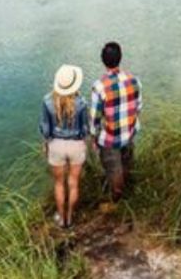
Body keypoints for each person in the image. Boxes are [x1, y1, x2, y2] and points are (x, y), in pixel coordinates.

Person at [90, 42, 142, 204]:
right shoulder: (134, 81)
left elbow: (95, 118)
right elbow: (138, 106)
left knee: (114, 171)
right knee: (126, 165)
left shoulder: (99, 87)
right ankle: (128, 193)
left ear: (103, 61)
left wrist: (93, 138)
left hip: (110, 139)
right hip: (130, 132)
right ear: (120, 58)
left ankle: (117, 202)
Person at [40, 64, 90, 228]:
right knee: (73, 183)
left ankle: (62, 220)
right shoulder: (82, 102)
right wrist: (84, 142)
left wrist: (46, 143)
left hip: (56, 145)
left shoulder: (47, 101)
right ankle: (70, 218)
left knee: (59, 184)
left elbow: (45, 129)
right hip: (76, 145)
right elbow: (85, 129)